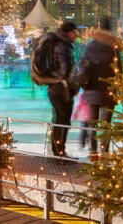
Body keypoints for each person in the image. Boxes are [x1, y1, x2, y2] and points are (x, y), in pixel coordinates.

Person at [71, 16, 121, 160]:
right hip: (109, 92)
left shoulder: (91, 46)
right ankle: (104, 152)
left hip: (92, 91)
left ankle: (93, 152)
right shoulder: (113, 48)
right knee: (106, 125)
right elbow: (119, 70)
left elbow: (84, 66)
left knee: (92, 123)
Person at [47, 21, 78, 158]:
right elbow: (66, 72)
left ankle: (57, 150)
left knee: (58, 120)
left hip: (54, 88)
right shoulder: (63, 47)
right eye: (75, 32)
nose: (76, 36)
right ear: (69, 32)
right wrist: (74, 86)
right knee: (63, 121)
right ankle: (60, 151)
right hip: (61, 90)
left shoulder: (56, 45)